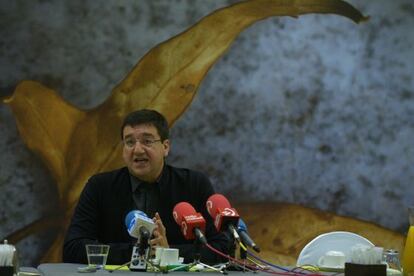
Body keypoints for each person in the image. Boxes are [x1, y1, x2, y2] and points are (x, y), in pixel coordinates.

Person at [63, 109, 229, 265]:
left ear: (165, 147)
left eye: (147, 141)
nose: (137, 150)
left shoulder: (194, 184)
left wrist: (168, 252)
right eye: (129, 142)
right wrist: (139, 252)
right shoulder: (100, 187)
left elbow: (222, 248)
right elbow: (72, 248)